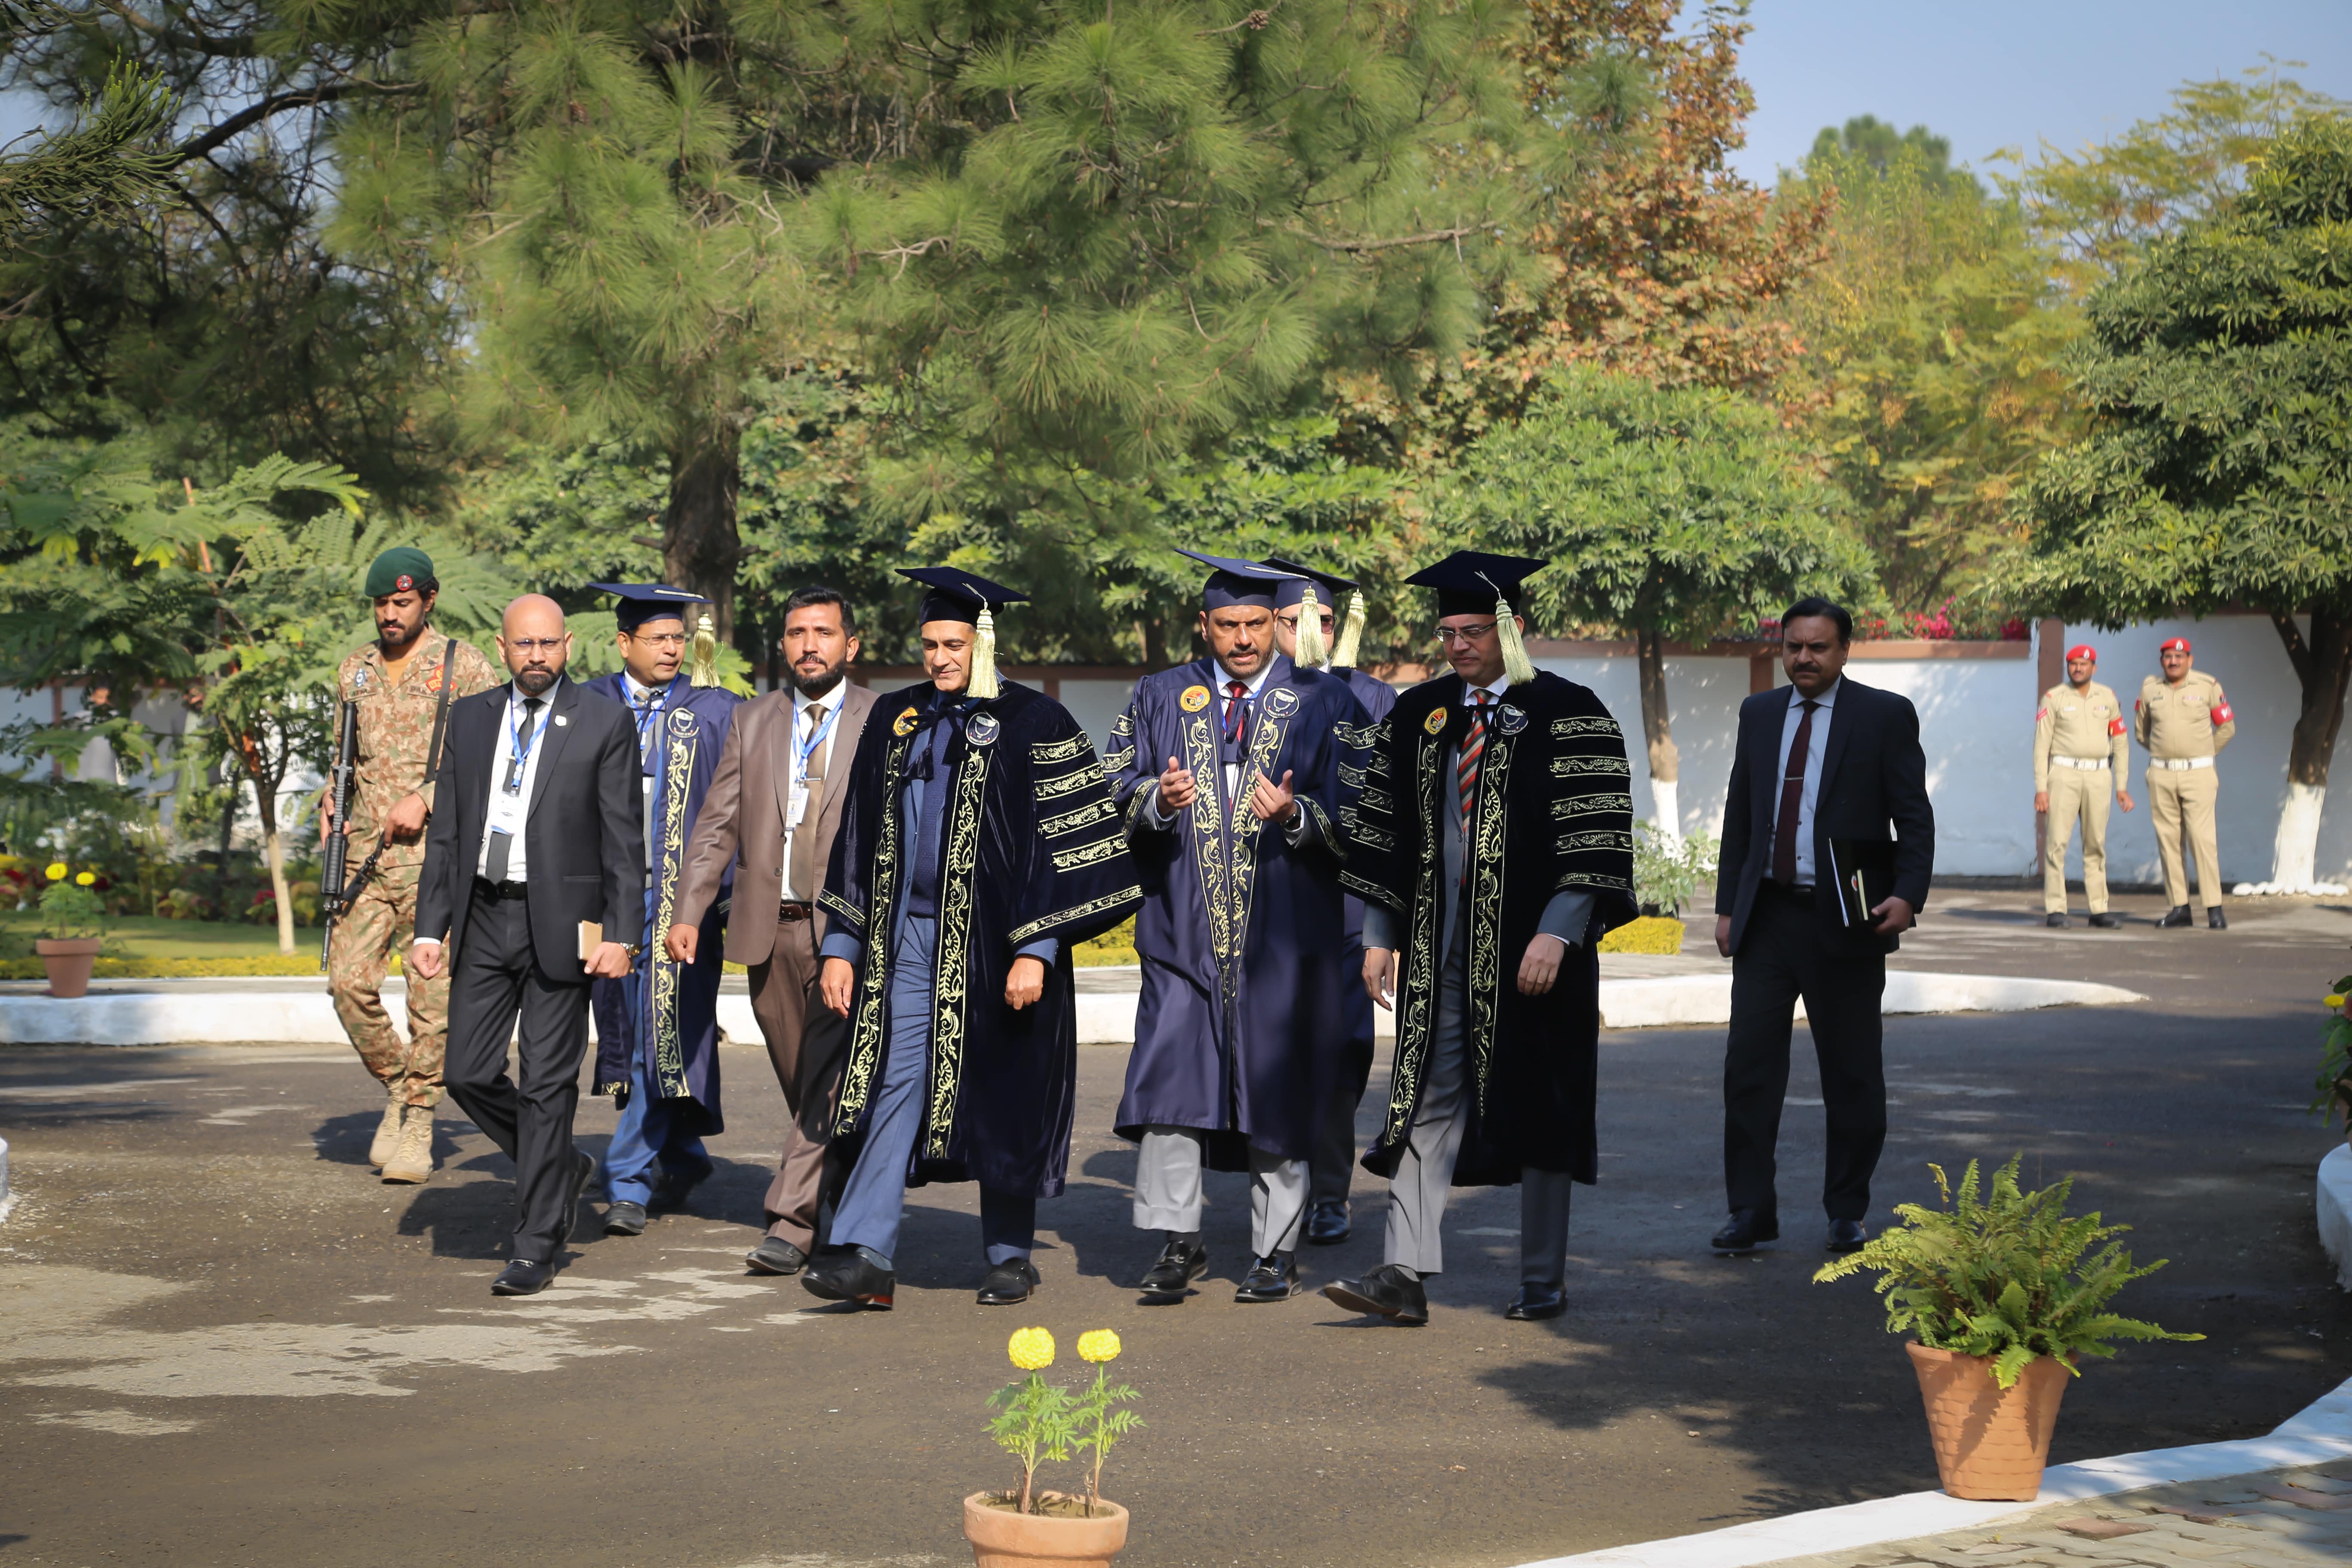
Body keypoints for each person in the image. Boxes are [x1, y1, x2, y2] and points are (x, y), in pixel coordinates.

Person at [805, 569, 1142, 1310]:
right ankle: (865, 1253)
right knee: (893, 1082)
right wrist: (842, 946)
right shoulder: (896, 717)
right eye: (929, 644)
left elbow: (1066, 845)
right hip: (906, 942)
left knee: (1002, 1090)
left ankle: (1010, 1257)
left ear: (983, 643)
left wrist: (1038, 949)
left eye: (953, 644)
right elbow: (857, 832)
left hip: (999, 946)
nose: (939, 658)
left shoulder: (1036, 720)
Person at [1321, 552, 1637, 1327]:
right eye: (1448, 633)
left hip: (1534, 953)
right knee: (1424, 1098)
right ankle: (1402, 1273)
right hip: (1439, 953)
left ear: (1512, 628)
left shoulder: (1569, 711)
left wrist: (1559, 932)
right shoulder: (1421, 713)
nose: (1457, 646)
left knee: (1545, 1103)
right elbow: (1382, 831)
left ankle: (1541, 1278)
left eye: (1472, 631)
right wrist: (1378, 934)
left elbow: (1594, 835)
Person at [1106, 551, 1368, 1306]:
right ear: (1205, 625)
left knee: (1277, 1087)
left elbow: (1364, 809)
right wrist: (1155, 799)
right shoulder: (1160, 694)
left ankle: (1274, 1251)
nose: (1244, 638)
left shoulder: (1324, 699)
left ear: (1275, 623)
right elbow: (1111, 784)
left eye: (1256, 623)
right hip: (1179, 936)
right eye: (1228, 625)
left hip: (1284, 941)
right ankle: (1177, 1242)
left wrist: (1298, 815)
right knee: (1170, 1085)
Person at [411, 594, 644, 1297]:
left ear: (567, 645)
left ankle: (535, 1243)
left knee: (546, 1084)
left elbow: (623, 839)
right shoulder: (471, 719)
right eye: (523, 644)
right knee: (465, 1073)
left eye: (547, 643)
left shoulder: (603, 719)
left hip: (563, 923)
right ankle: (558, 1165)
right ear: (502, 647)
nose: (536, 656)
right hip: (483, 915)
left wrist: (622, 934)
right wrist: (429, 926)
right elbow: (447, 832)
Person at [1708, 596, 1934, 1259]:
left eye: (1818, 647)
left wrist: (1907, 894)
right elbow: (1740, 816)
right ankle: (1750, 1211)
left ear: (1844, 650)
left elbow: (1913, 817)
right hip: (1767, 920)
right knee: (1749, 1071)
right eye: (1794, 646)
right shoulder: (1759, 714)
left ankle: (1847, 1210)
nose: (1804, 658)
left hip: (1848, 919)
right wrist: (1727, 907)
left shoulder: (1884, 715)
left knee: (1852, 1073)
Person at [671, 586, 878, 1277]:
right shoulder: (753, 720)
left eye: (824, 632)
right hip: (769, 930)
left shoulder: (883, 719)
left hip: (846, 934)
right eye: (796, 633)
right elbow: (716, 825)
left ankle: (791, 1223)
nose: (809, 645)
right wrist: (689, 910)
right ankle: (848, 1198)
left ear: (851, 644)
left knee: (826, 1075)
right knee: (805, 1081)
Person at [325, 547, 500, 1185]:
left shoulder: (465, 666)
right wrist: (330, 801)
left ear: (429, 599)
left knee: (431, 1000)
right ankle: (402, 1084)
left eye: (402, 603)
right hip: (365, 862)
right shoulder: (355, 671)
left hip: (436, 863)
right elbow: (345, 761)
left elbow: (489, 761)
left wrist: (425, 798)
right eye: (381, 604)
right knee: (347, 984)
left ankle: (420, 1120)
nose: (390, 615)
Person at [579, 584, 745, 1237]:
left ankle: (626, 1180)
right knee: (627, 1035)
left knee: (663, 1036)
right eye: (659, 638)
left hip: (682, 902)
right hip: (605, 901)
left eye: (680, 637)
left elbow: (740, 809)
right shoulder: (586, 704)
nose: (673, 648)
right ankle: (683, 1154)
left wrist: (718, 899)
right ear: (625, 643)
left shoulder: (715, 710)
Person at [1262, 556, 1397, 1247]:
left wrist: (1385, 924)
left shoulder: (1373, 698)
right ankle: (1271, 1195)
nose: (1307, 633)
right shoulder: (1250, 697)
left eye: (1320, 620)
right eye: (1293, 621)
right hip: (1264, 906)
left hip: (1343, 906)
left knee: (1342, 1051)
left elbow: (1390, 814)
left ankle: (1330, 1192)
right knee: (1270, 1052)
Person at [2136, 636, 2235, 930]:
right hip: (2162, 774)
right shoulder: (2150, 689)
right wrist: (2165, 754)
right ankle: (2180, 908)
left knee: (2203, 841)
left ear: (2190, 660)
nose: (2174, 662)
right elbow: (2142, 732)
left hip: (2199, 774)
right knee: (2169, 842)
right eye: (2168, 657)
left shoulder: (2207, 686)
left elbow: (2227, 727)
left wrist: (2203, 753)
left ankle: (2214, 908)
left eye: (2180, 657)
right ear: (2162, 661)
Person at [2034, 644, 2132, 929]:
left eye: (2084, 664)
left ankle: (2099, 909)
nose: (2078, 668)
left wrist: (2122, 786)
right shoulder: (2054, 697)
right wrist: (2041, 788)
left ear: (2094, 668)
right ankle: (2056, 909)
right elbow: (2041, 746)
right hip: (2064, 773)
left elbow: (2121, 743)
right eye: (2074, 664)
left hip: (2099, 774)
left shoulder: (2108, 697)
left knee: (2096, 844)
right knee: (2056, 845)